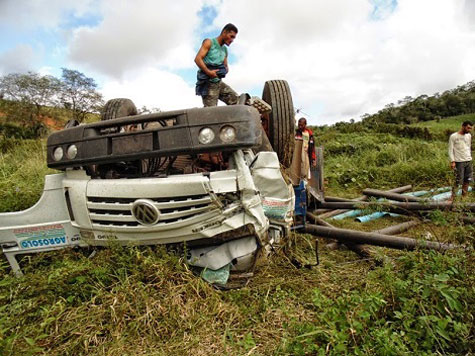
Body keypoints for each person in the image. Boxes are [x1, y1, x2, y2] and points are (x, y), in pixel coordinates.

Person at [195, 23, 239, 107]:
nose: (232, 40)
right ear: (224, 32)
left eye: (234, 38)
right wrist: (208, 72)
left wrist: (225, 70)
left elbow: (225, 65)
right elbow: (198, 59)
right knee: (211, 112)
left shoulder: (225, 50)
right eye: (231, 36)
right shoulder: (209, 42)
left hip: (218, 82)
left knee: (237, 100)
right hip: (208, 83)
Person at [448, 120, 473, 198]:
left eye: (470, 128)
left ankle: (464, 197)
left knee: (467, 180)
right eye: (468, 128)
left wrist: (469, 157)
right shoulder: (454, 136)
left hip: (468, 161)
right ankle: (453, 197)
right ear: (463, 126)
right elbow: (450, 150)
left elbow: (468, 147)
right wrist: (453, 161)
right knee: (458, 181)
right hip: (459, 162)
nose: (469, 130)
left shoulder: (468, 136)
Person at [290, 118, 316, 185]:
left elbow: (312, 148)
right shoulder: (296, 133)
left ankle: (305, 186)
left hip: (306, 156)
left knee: (306, 172)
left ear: (305, 124)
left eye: (301, 125)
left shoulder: (309, 135)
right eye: (299, 125)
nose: (300, 127)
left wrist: (313, 159)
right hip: (297, 155)